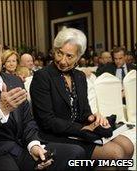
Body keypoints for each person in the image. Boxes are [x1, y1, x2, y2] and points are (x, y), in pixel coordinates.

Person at [0, 29, 86, 171]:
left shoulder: (14, 80)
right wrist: (1, 110)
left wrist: (34, 145)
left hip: (20, 148)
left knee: (75, 153)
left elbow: (28, 121)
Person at [30, 28, 134, 167]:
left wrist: (94, 118)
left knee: (128, 146)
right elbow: (47, 121)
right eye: (59, 53)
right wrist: (83, 129)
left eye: (69, 56)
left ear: (78, 57)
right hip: (55, 135)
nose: (62, 60)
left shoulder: (79, 77)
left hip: (79, 131)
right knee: (115, 154)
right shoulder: (42, 77)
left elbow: (84, 111)